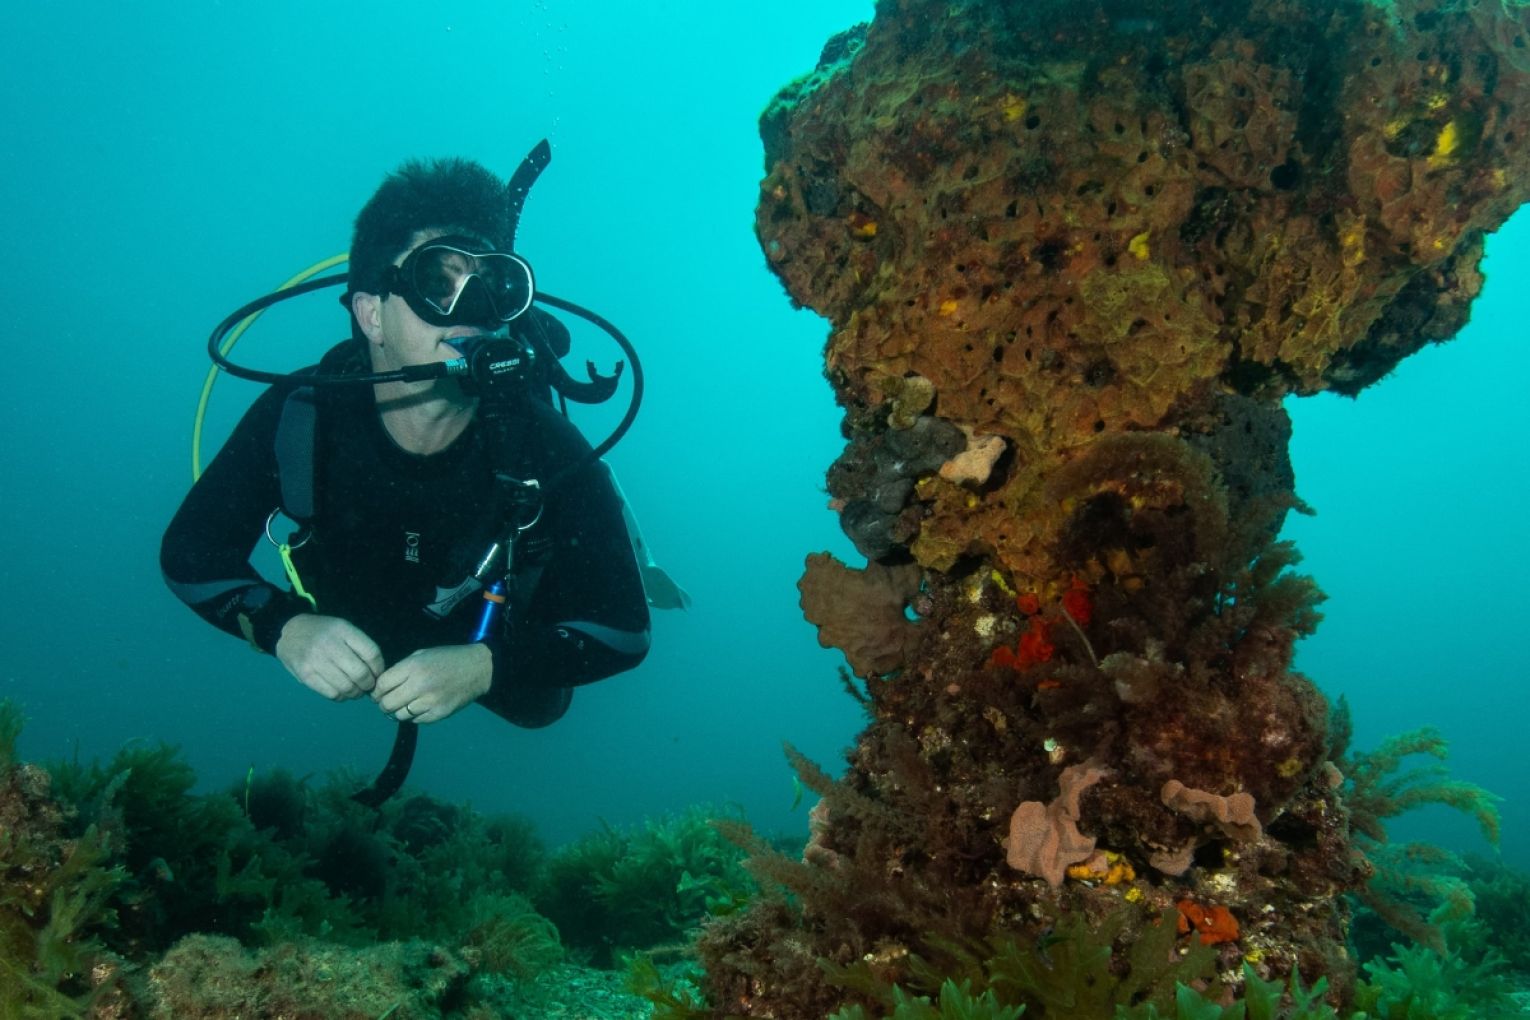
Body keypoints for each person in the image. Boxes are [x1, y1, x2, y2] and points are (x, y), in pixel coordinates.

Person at [161, 157, 651, 733]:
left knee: (538, 707)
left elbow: (625, 628)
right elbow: (190, 553)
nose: (471, 309)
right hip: (354, 619)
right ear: (371, 315)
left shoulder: (544, 446)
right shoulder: (304, 418)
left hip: (485, 634)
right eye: (436, 282)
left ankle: (633, 543)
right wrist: (283, 628)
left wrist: (485, 666)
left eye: (490, 285)